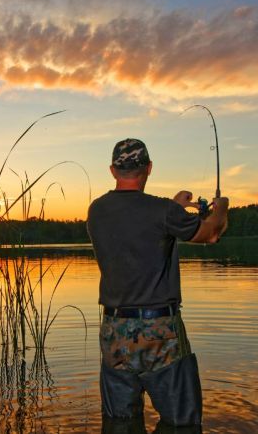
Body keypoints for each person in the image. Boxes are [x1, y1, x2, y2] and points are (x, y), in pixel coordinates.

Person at [86, 138, 229, 433]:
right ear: (149, 168)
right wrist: (221, 208)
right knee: (182, 424)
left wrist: (174, 209)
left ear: (113, 170)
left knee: (118, 424)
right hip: (160, 333)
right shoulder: (163, 211)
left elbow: (137, 227)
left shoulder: (96, 211)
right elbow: (212, 233)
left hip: (114, 332)